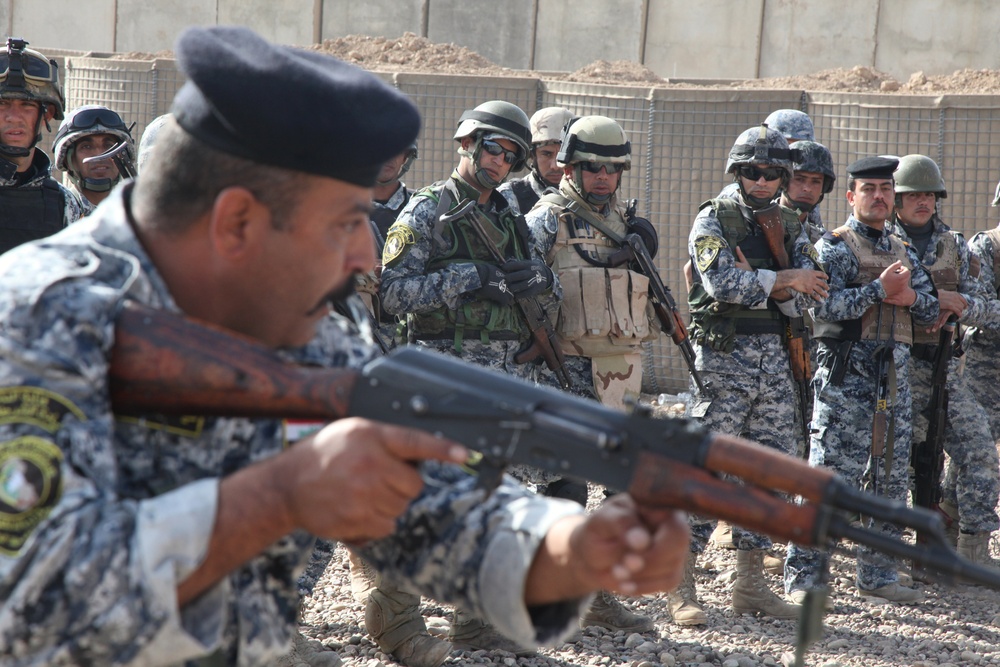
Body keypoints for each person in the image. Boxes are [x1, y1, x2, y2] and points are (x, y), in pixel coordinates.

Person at [0, 26, 692, 667]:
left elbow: (428, 497)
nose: (366, 251)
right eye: (345, 221)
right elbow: (32, 602)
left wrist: (565, 549)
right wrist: (278, 494)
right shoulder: (40, 315)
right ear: (237, 221)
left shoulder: (305, 325)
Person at [683, 124, 828, 622]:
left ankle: (750, 584)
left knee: (769, 471)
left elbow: (817, 286)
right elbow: (722, 283)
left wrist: (770, 284)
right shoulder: (714, 218)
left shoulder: (791, 225)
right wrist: (782, 279)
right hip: (725, 363)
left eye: (771, 173)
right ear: (737, 172)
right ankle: (680, 584)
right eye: (751, 171)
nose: (761, 181)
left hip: (775, 361)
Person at [523, 114, 662, 633]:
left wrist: (643, 244)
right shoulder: (547, 218)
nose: (603, 177)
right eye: (591, 167)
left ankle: (599, 595)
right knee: (566, 486)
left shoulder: (626, 220)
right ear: (570, 168)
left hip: (620, 370)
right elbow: (528, 294)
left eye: (612, 168)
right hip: (566, 369)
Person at [784, 156, 939, 604]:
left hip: (893, 380)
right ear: (851, 197)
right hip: (846, 381)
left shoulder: (902, 250)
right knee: (830, 479)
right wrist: (880, 292)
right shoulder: (834, 247)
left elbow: (931, 313)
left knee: (889, 478)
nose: (879, 196)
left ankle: (878, 576)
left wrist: (908, 296)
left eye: (886, 189)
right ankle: (805, 580)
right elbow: (822, 307)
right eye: (869, 189)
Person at [891, 155, 999, 568]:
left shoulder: (952, 245)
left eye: (929, 195)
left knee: (979, 452)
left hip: (944, 372)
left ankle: (973, 549)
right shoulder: (881, 240)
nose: (923, 202)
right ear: (897, 200)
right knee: (893, 465)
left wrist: (959, 303)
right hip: (895, 371)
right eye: (913, 195)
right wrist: (933, 302)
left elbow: (985, 307)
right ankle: (885, 556)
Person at [0, 37, 85, 254]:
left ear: (46, 114)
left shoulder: (64, 204)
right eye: (3, 104)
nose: (14, 117)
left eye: (27, 105)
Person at [52, 104, 136, 215]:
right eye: (86, 146)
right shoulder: (55, 211)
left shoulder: (137, 215)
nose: (99, 154)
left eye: (108, 145)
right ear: (68, 159)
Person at [499, 105, 575, 214]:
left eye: (563, 156)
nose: (555, 165)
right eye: (547, 154)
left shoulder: (588, 198)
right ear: (532, 154)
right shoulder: (510, 197)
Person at [779, 140, 836, 243]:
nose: (807, 188)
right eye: (799, 179)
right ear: (784, 180)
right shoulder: (756, 227)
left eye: (815, 181)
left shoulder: (822, 242)